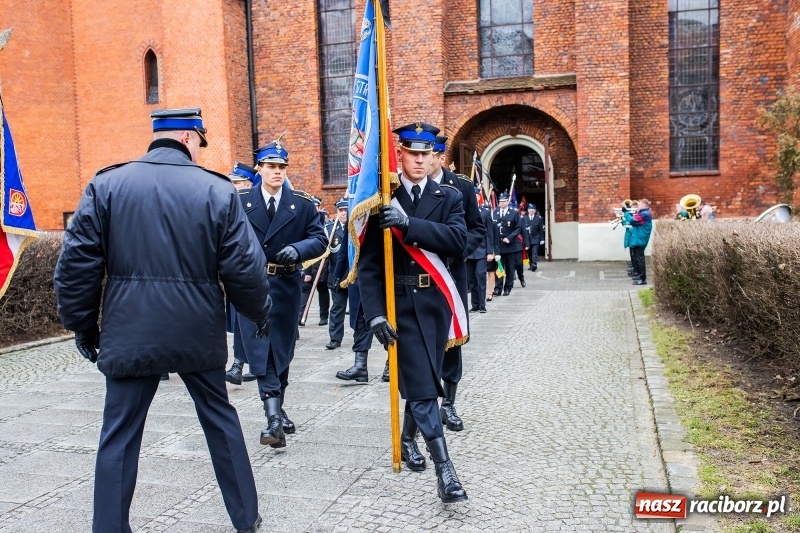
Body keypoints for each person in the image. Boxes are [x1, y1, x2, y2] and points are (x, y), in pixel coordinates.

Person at [53, 108, 269, 533]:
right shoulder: (216, 190)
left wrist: (82, 325)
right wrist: (258, 313)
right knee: (220, 420)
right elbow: (246, 268)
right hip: (196, 330)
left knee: (119, 433)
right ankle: (246, 518)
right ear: (189, 138)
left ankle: (110, 528)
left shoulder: (107, 185)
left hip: (131, 330)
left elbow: (76, 265)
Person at [359, 121, 468, 503]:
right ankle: (446, 473)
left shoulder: (448, 196)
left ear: (434, 156)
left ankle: (407, 440)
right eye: (412, 153)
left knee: (425, 380)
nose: (419, 160)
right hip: (399, 307)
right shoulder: (380, 201)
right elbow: (370, 266)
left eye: (426, 153)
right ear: (400, 154)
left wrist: (410, 224)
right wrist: (373, 314)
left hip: (435, 305)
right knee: (423, 388)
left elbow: (458, 242)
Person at [234, 136, 327, 447]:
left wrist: (297, 249)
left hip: (286, 286)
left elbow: (319, 239)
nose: (277, 172)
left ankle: (278, 410)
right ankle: (273, 420)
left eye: (282, 167)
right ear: (259, 169)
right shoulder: (241, 203)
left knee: (283, 349)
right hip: (252, 286)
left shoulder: (299, 204)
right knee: (264, 351)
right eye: (271, 166)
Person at [427, 134, 485, 433]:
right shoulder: (405, 187)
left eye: (432, 154)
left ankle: (448, 403)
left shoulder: (461, 186)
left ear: (441, 157)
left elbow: (477, 228)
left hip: (450, 272)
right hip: (418, 274)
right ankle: (421, 403)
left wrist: (457, 247)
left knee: (452, 338)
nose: (425, 159)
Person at [225, 161, 260, 385]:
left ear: (248, 183)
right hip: (236, 271)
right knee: (240, 320)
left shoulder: (255, 205)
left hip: (256, 272)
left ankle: (245, 364)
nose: (233, 186)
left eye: (236, 182)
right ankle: (239, 364)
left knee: (252, 320)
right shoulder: (233, 205)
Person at [333, 226, 376, 383]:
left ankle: (390, 366)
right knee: (360, 319)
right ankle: (360, 366)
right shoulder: (356, 206)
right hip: (359, 272)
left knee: (393, 321)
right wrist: (338, 273)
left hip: (388, 270)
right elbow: (347, 245)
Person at [300, 196, 331, 326]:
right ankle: (300, 316)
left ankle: (324, 316)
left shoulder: (326, 223)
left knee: (322, 289)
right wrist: (306, 270)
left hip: (323, 262)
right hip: (308, 261)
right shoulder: (302, 222)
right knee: (305, 288)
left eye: (316, 206)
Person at [466, 192, 496, 313]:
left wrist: (490, 251)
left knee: (480, 277)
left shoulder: (485, 212)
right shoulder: (464, 209)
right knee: (471, 279)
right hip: (469, 251)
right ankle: (475, 305)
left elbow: (489, 233)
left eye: (476, 195)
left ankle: (483, 305)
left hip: (482, 250)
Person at [326, 198, 348, 350]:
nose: (344, 214)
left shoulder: (357, 226)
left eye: (346, 210)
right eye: (341, 210)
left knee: (360, 310)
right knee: (337, 308)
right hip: (337, 275)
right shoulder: (329, 229)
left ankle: (362, 339)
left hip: (354, 274)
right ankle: (335, 338)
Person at [493, 192, 522, 296]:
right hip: (499, 245)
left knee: (510, 268)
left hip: (510, 245)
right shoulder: (495, 213)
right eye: (500, 201)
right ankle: (498, 288)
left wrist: (510, 238)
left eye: (503, 201)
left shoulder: (514, 213)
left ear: (507, 201)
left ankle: (508, 287)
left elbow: (518, 228)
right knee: (499, 266)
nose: (501, 203)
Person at [624, 199, 653, 286]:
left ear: (644, 205)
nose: (638, 207)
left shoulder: (644, 214)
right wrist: (635, 212)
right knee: (637, 258)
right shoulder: (643, 213)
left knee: (640, 259)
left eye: (639, 205)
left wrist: (626, 212)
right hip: (639, 238)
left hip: (640, 239)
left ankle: (642, 279)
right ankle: (639, 276)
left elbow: (633, 221)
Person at [523, 204, 545, 272]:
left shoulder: (539, 218)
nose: (531, 212)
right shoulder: (524, 218)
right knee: (529, 253)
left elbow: (541, 229)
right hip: (527, 239)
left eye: (532, 211)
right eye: (530, 210)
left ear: (535, 211)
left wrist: (542, 239)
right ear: (528, 210)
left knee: (534, 252)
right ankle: (531, 265)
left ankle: (534, 264)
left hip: (535, 238)